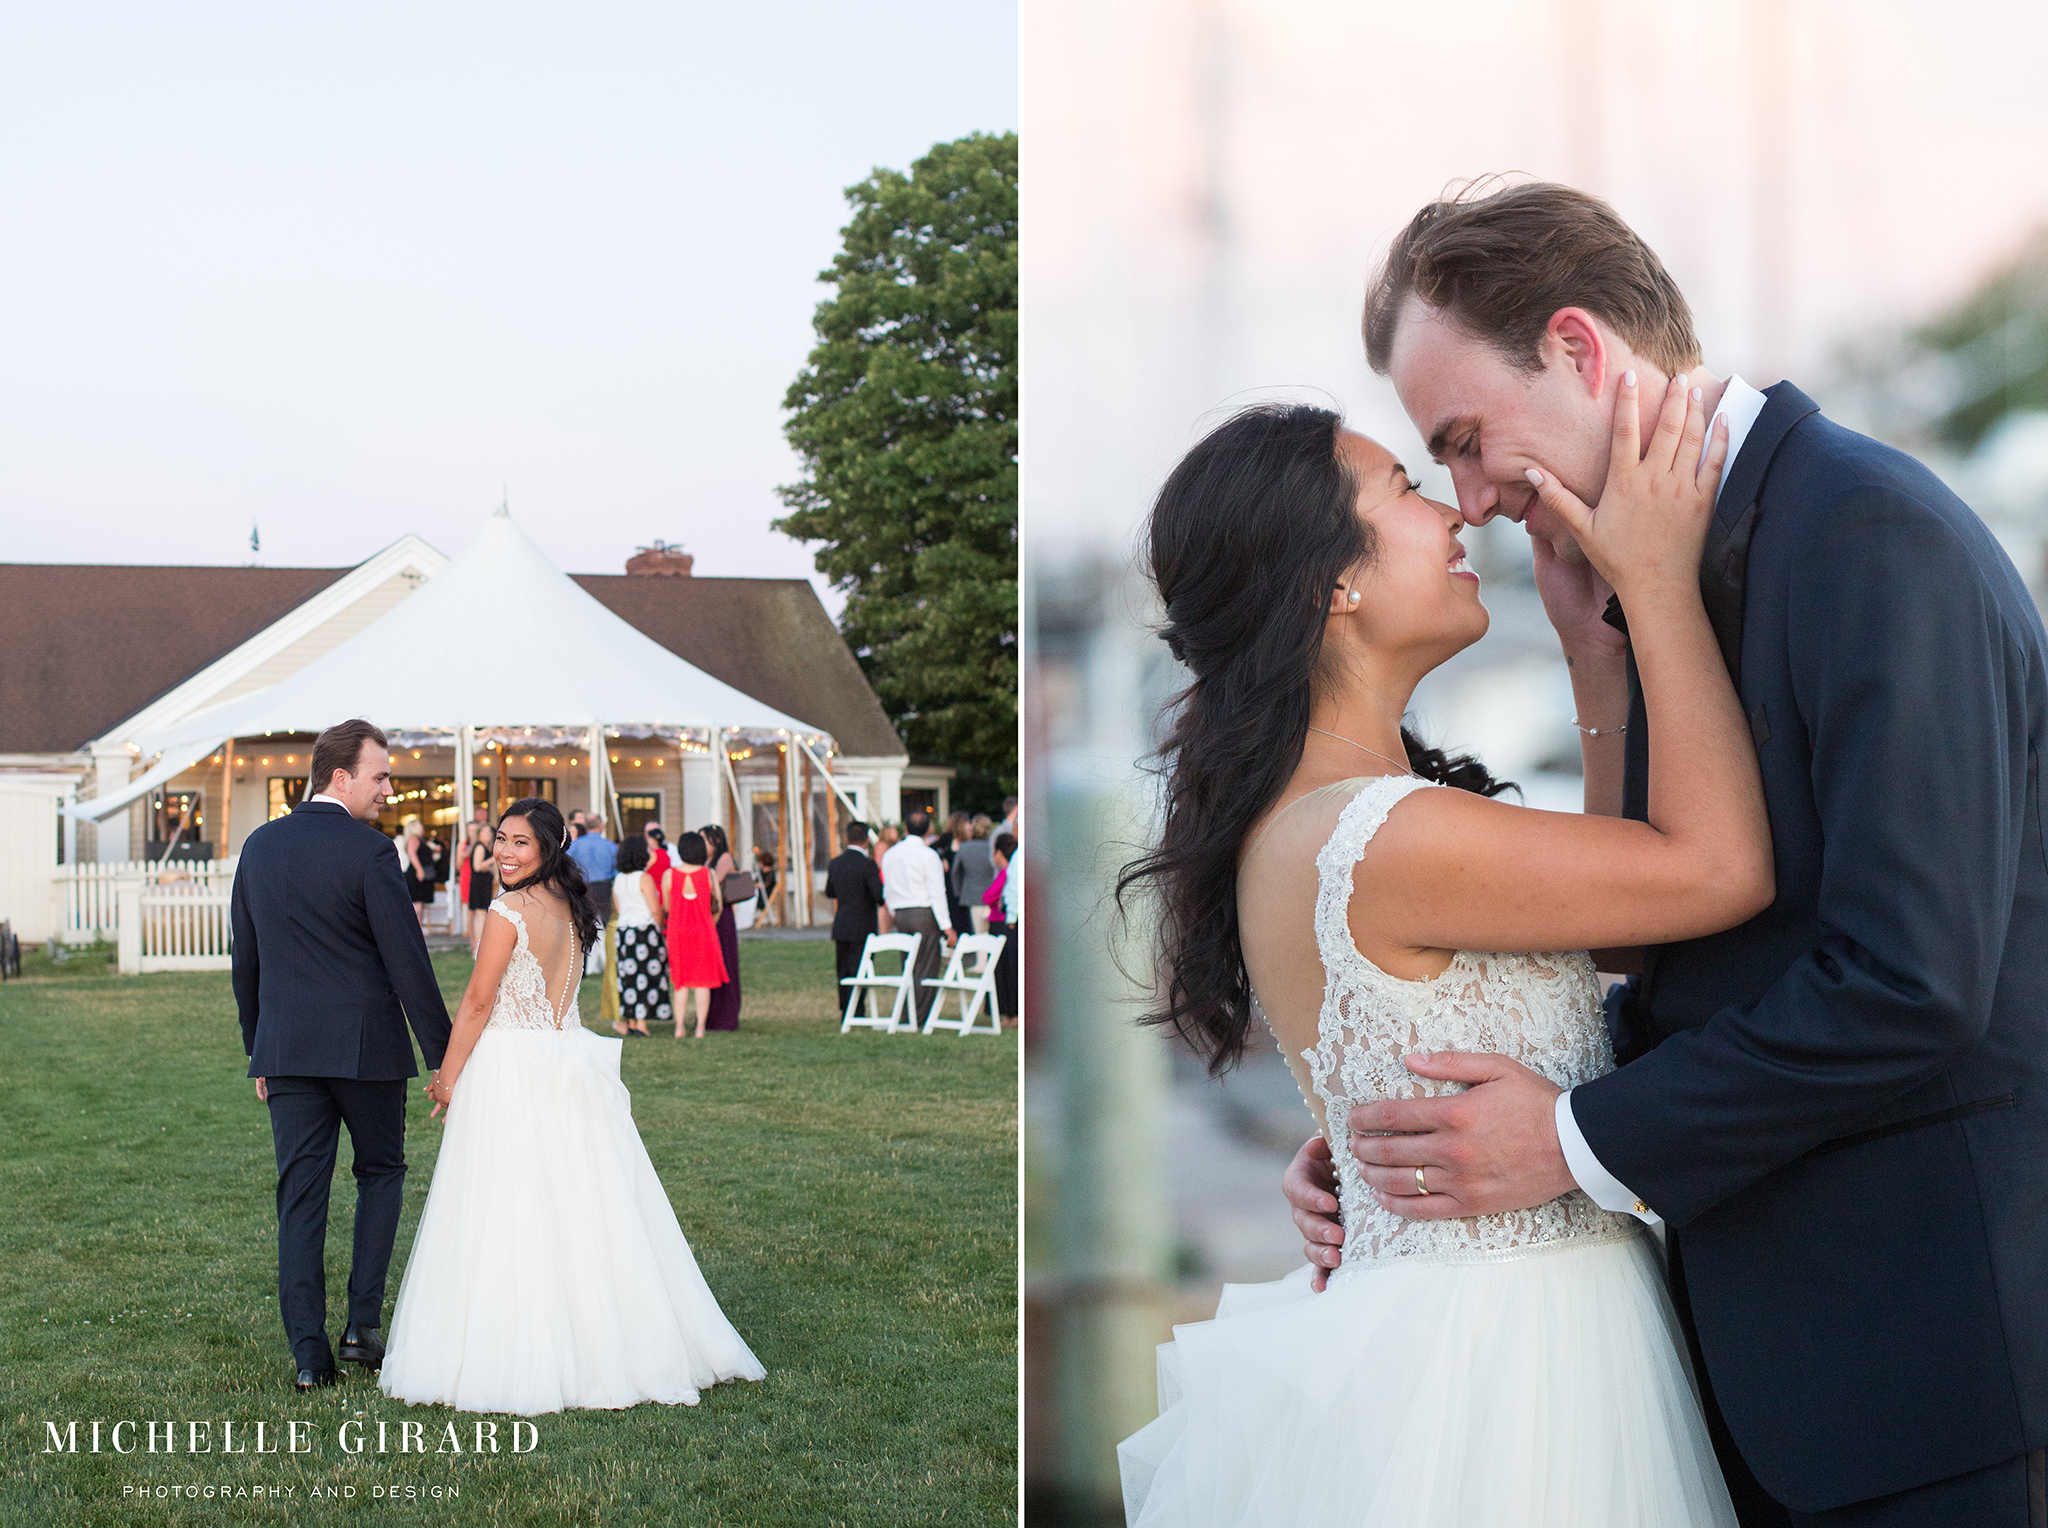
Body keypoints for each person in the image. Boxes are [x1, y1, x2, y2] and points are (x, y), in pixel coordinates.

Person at [1269, 183, 2048, 1528]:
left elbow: (1909, 982)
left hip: (1934, 1375)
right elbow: (1698, 957)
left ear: (1578, 350)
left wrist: (1566, 1139)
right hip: (1767, 1368)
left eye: (1463, 440)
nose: (1469, 499)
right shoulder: (1667, 569)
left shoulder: (1864, 536)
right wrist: (1410, 1142)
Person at [1116, 380, 1755, 1525]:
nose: (1456, 514)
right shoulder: (1380, 834)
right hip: (1508, 1368)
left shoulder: (1344, 814)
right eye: (1406, 487)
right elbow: (1712, 872)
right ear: (1332, 582)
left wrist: (1589, 654)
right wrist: (1655, 582)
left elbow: (1612, 922)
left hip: (1496, 1332)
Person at [378, 798, 763, 1413]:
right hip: (565, 1059)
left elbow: (478, 1003)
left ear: (549, 849)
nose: (504, 851)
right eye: (500, 839)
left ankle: (520, 1351)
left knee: (509, 1206)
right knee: (586, 1203)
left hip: (512, 1067)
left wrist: (447, 1078)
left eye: (520, 843)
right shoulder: (575, 909)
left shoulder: (509, 911)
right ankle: (604, 1343)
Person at [230, 718, 453, 1391]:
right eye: (381, 775)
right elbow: (408, 964)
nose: (390, 789)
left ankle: (308, 1357)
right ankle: (360, 1327)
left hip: (289, 1049)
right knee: (381, 1173)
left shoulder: (260, 847)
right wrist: (448, 1059)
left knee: (300, 1199)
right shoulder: (371, 853)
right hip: (368, 1051)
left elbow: (248, 962)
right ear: (341, 776)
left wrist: (259, 1052)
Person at [880, 808, 956, 1023]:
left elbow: (888, 889)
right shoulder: (929, 855)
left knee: (909, 965)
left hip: (902, 913)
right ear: (929, 828)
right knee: (926, 966)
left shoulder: (891, 854)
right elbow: (936, 893)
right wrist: (947, 926)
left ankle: (910, 1012)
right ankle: (919, 1015)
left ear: (905, 828)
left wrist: (895, 912)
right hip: (924, 913)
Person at [663, 831, 727, 1040]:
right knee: (702, 981)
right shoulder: (708, 874)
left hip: (678, 930)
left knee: (680, 981)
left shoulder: (669, 875)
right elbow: (717, 905)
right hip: (703, 930)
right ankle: (700, 1027)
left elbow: (666, 906)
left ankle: (679, 1027)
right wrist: (709, 923)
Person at [607, 836, 669, 1038]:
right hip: (644, 930)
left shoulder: (618, 879)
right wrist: (660, 925)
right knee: (645, 975)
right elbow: (654, 908)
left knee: (628, 977)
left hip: (624, 931)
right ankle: (642, 1023)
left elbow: (618, 906)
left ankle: (632, 1020)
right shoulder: (644, 878)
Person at [825, 820, 886, 1002]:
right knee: (861, 969)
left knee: (843, 971)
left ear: (846, 838)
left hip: (842, 924)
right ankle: (857, 1009)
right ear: (867, 840)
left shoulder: (835, 863)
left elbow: (830, 892)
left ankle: (845, 1009)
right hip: (863, 925)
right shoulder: (868, 865)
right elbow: (878, 896)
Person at [699, 824, 744, 1032]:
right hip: (710, 914)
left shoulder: (724, 858)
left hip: (723, 916)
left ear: (715, 841)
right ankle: (711, 1015)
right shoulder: (707, 860)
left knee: (725, 962)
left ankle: (725, 1016)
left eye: (704, 839)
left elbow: (713, 882)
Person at [986, 832, 1018, 1023]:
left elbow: (989, 897)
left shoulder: (1007, 872)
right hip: (1003, 920)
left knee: (1007, 969)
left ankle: (1010, 1013)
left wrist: (1011, 915)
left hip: (1003, 922)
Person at [951, 815, 997, 938]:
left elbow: (955, 872)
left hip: (972, 896)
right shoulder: (993, 848)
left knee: (978, 934)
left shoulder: (964, 848)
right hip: (993, 897)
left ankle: (981, 958)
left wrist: (958, 892)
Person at [567, 814, 617, 926]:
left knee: (583, 922)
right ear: (600, 825)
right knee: (605, 923)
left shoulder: (575, 845)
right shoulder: (610, 846)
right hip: (604, 888)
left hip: (582, 887)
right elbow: (616, 869)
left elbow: (565, 864)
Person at [395, 817, 434, 932]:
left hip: (420, 872)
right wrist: (419, 870)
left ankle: (418, 929)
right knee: (418, 903)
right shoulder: (413, 839)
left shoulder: (418, 839)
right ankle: (416, 929)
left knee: (420, 903)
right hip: (417, 874)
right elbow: (412, 854)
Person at [464, 823, 497, 956]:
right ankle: (478, 948)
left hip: (484, 883)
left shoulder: (485, 847)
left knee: (481, 915)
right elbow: (477, 866)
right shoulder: (480, 847)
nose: (487, 835)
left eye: (489, 832)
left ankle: (479, 947)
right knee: (480, 916)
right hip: (479, 884)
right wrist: (492, 861)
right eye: (484, 832)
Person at [752, 843, 781, 929]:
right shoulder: (761, 873)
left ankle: (759, 913)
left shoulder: (770, 873)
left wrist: (756, 885)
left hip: (765, 894)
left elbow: (764, 885)